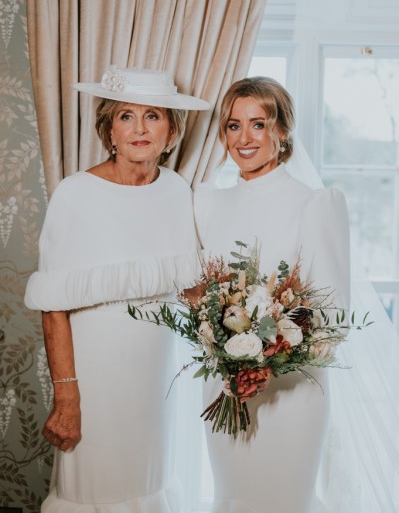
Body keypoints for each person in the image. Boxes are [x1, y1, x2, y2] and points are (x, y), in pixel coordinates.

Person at [24, 65, 209, 512]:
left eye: (153, 116)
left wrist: (234, 344)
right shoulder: (75, 194)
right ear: (109, 128)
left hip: (158, 378)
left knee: (149, 482)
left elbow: (192, 289)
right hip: (95, 376)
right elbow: (53, 308)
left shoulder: (177, 191)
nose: (140, 128)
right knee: (95, 489)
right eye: (126, 116)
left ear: (171, 130)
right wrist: (67, 397)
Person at [194, 76, 350, 513]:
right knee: (233, 499)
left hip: (292, 393)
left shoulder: (314, 204)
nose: (244, 138)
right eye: (232, 125)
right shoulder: (207, 203)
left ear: (281, 131)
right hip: (223, 390)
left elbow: (334, 316)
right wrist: (222, 346)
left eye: (257, 124)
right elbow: (200, 294)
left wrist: (269, 352)